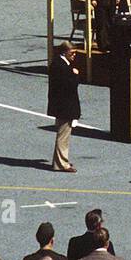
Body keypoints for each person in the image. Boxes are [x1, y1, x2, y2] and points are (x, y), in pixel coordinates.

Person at [47, 41, 81, 173]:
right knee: (63, 136)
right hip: (65, 106)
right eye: (72, 53)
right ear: (64, 52)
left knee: (62, 135)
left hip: (60, 105)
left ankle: (60, 161)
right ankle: (61, 163)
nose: (74, 56)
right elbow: (69, 85)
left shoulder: (58, 63)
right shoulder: (61, 67)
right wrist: (75, 74)